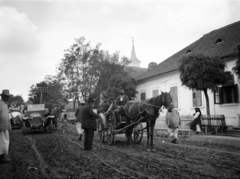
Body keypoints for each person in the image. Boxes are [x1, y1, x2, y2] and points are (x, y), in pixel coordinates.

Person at [0, 89, 12, 163]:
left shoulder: (4, 104)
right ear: (2, 96)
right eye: (6, 96)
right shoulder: (1, 104)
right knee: (2, 142)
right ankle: (1, 158)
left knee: (4, 142)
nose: (7, 98)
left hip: (4, 126)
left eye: (8, 96)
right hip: (1, 126)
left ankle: (2, 156)